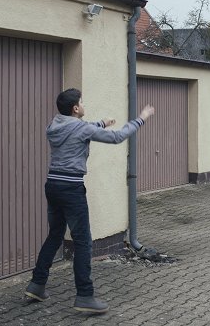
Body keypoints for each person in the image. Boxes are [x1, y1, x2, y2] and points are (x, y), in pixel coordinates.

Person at [25, 88, 155, 313]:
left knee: (55, 235)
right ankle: (85, 296)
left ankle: (37, 285)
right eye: (82, 102)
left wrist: (102, 123)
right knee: (83, 241)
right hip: (71, 188)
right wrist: (141, 119)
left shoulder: (54, 126)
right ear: (76, 109)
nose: (84, 105)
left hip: (53, 185)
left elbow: (80, 130)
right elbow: (117, 137)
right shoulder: (80, 127)